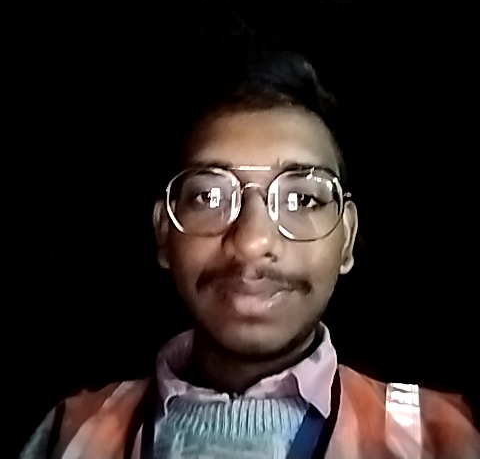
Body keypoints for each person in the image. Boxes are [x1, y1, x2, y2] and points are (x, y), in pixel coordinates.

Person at [20, 48, 479, 458]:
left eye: (302, 198)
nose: (253, 241)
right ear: (163, 232)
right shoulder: (70, 433)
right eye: (209, 196)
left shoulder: (447, 438)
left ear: (347, 238)